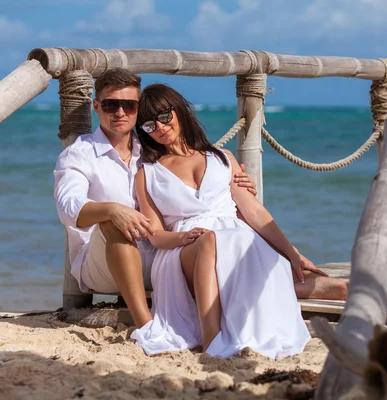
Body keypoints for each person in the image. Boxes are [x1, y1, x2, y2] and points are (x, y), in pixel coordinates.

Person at [130, 84, 348, 359]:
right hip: (184, 249)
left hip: (234, 237)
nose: (160, 127)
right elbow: (155, 235)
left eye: (164, 116)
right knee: (210, 239)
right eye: (149, 125)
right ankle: (212, 340)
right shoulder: (147, 174)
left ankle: (300, 282)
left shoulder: (222, 158)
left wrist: (293, 253)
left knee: (244, 242)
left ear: (179, 111)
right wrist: (182, 238)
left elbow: (252, 211)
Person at [53, 68, 257, 329]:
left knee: (231, 254)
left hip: (162, 256)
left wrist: (236, 184)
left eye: (129, 105)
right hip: (103, 265)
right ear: (96, 106)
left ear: (138, 110)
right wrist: (113, 210)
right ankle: (145, 325)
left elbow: (195, 195)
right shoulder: (79, 154)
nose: (119, 112)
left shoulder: (153, 151)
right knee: (112, 222)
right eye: (110, 105)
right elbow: (67, 207)